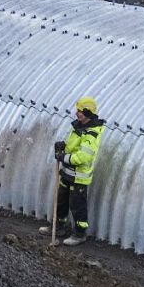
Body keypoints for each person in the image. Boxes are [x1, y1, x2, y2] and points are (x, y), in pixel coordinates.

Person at [51, 97, 104, 245]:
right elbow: (74, 147)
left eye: (80, 111)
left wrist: (63, 157)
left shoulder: (91, 133)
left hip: (79, 178)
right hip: (68, 174)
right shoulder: (79, 127)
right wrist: (64, 146)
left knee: (77, 207)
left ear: (87, 112)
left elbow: (83, 157)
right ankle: (58, 227)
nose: (77, 114)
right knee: (61, 201)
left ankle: (79, 234)